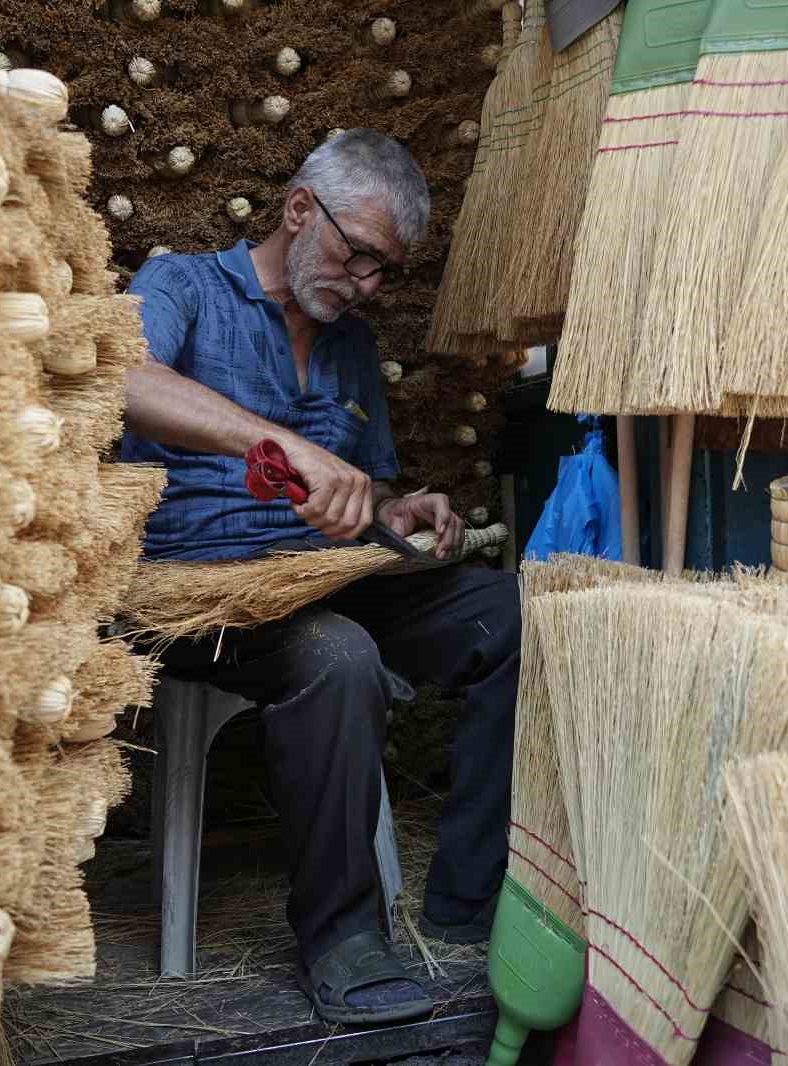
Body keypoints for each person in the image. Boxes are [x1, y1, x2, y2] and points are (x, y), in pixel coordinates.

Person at [118, 129, 519, 1026]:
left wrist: (397, 509)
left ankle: (464, 899)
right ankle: (343, 940)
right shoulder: (183, 285)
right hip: (208, 592)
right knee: (336, 656)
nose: (367, 286)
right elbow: (124, 380)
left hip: (327, 575)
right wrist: (277, 442)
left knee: (513, 613)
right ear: (300, 209)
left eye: (386, 271)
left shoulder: (349, 347)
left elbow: (358, 494)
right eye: (359, 257)